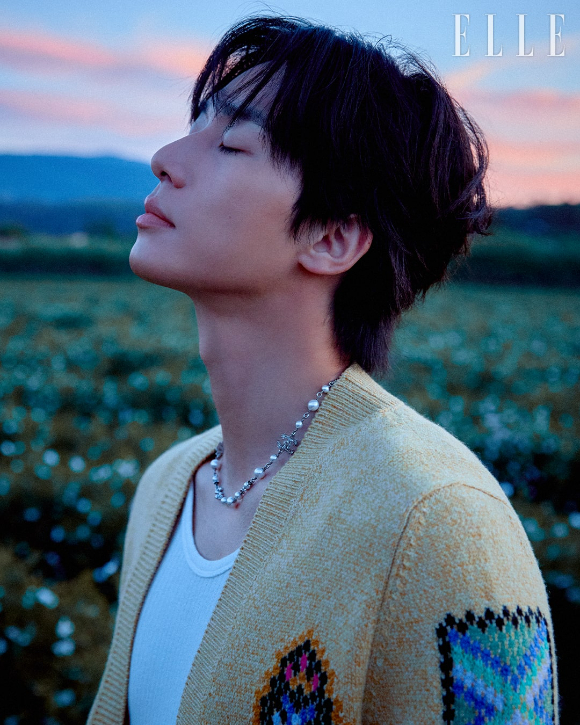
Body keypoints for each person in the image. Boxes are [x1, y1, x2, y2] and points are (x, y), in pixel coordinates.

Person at [88, 15, 558, 725]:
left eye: (232, 143)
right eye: (195, 125)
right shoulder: (166, 487)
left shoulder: (442, 520)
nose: (163, 158)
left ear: (333, 237)